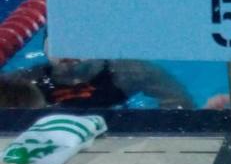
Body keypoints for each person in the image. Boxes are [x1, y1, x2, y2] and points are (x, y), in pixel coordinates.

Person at [0, 32, 194, 109]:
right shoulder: (26, 81)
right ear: (45, 49)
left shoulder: (129, 71)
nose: (67, 56)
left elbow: (179, 102)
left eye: (76, 46)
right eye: (58, 47)